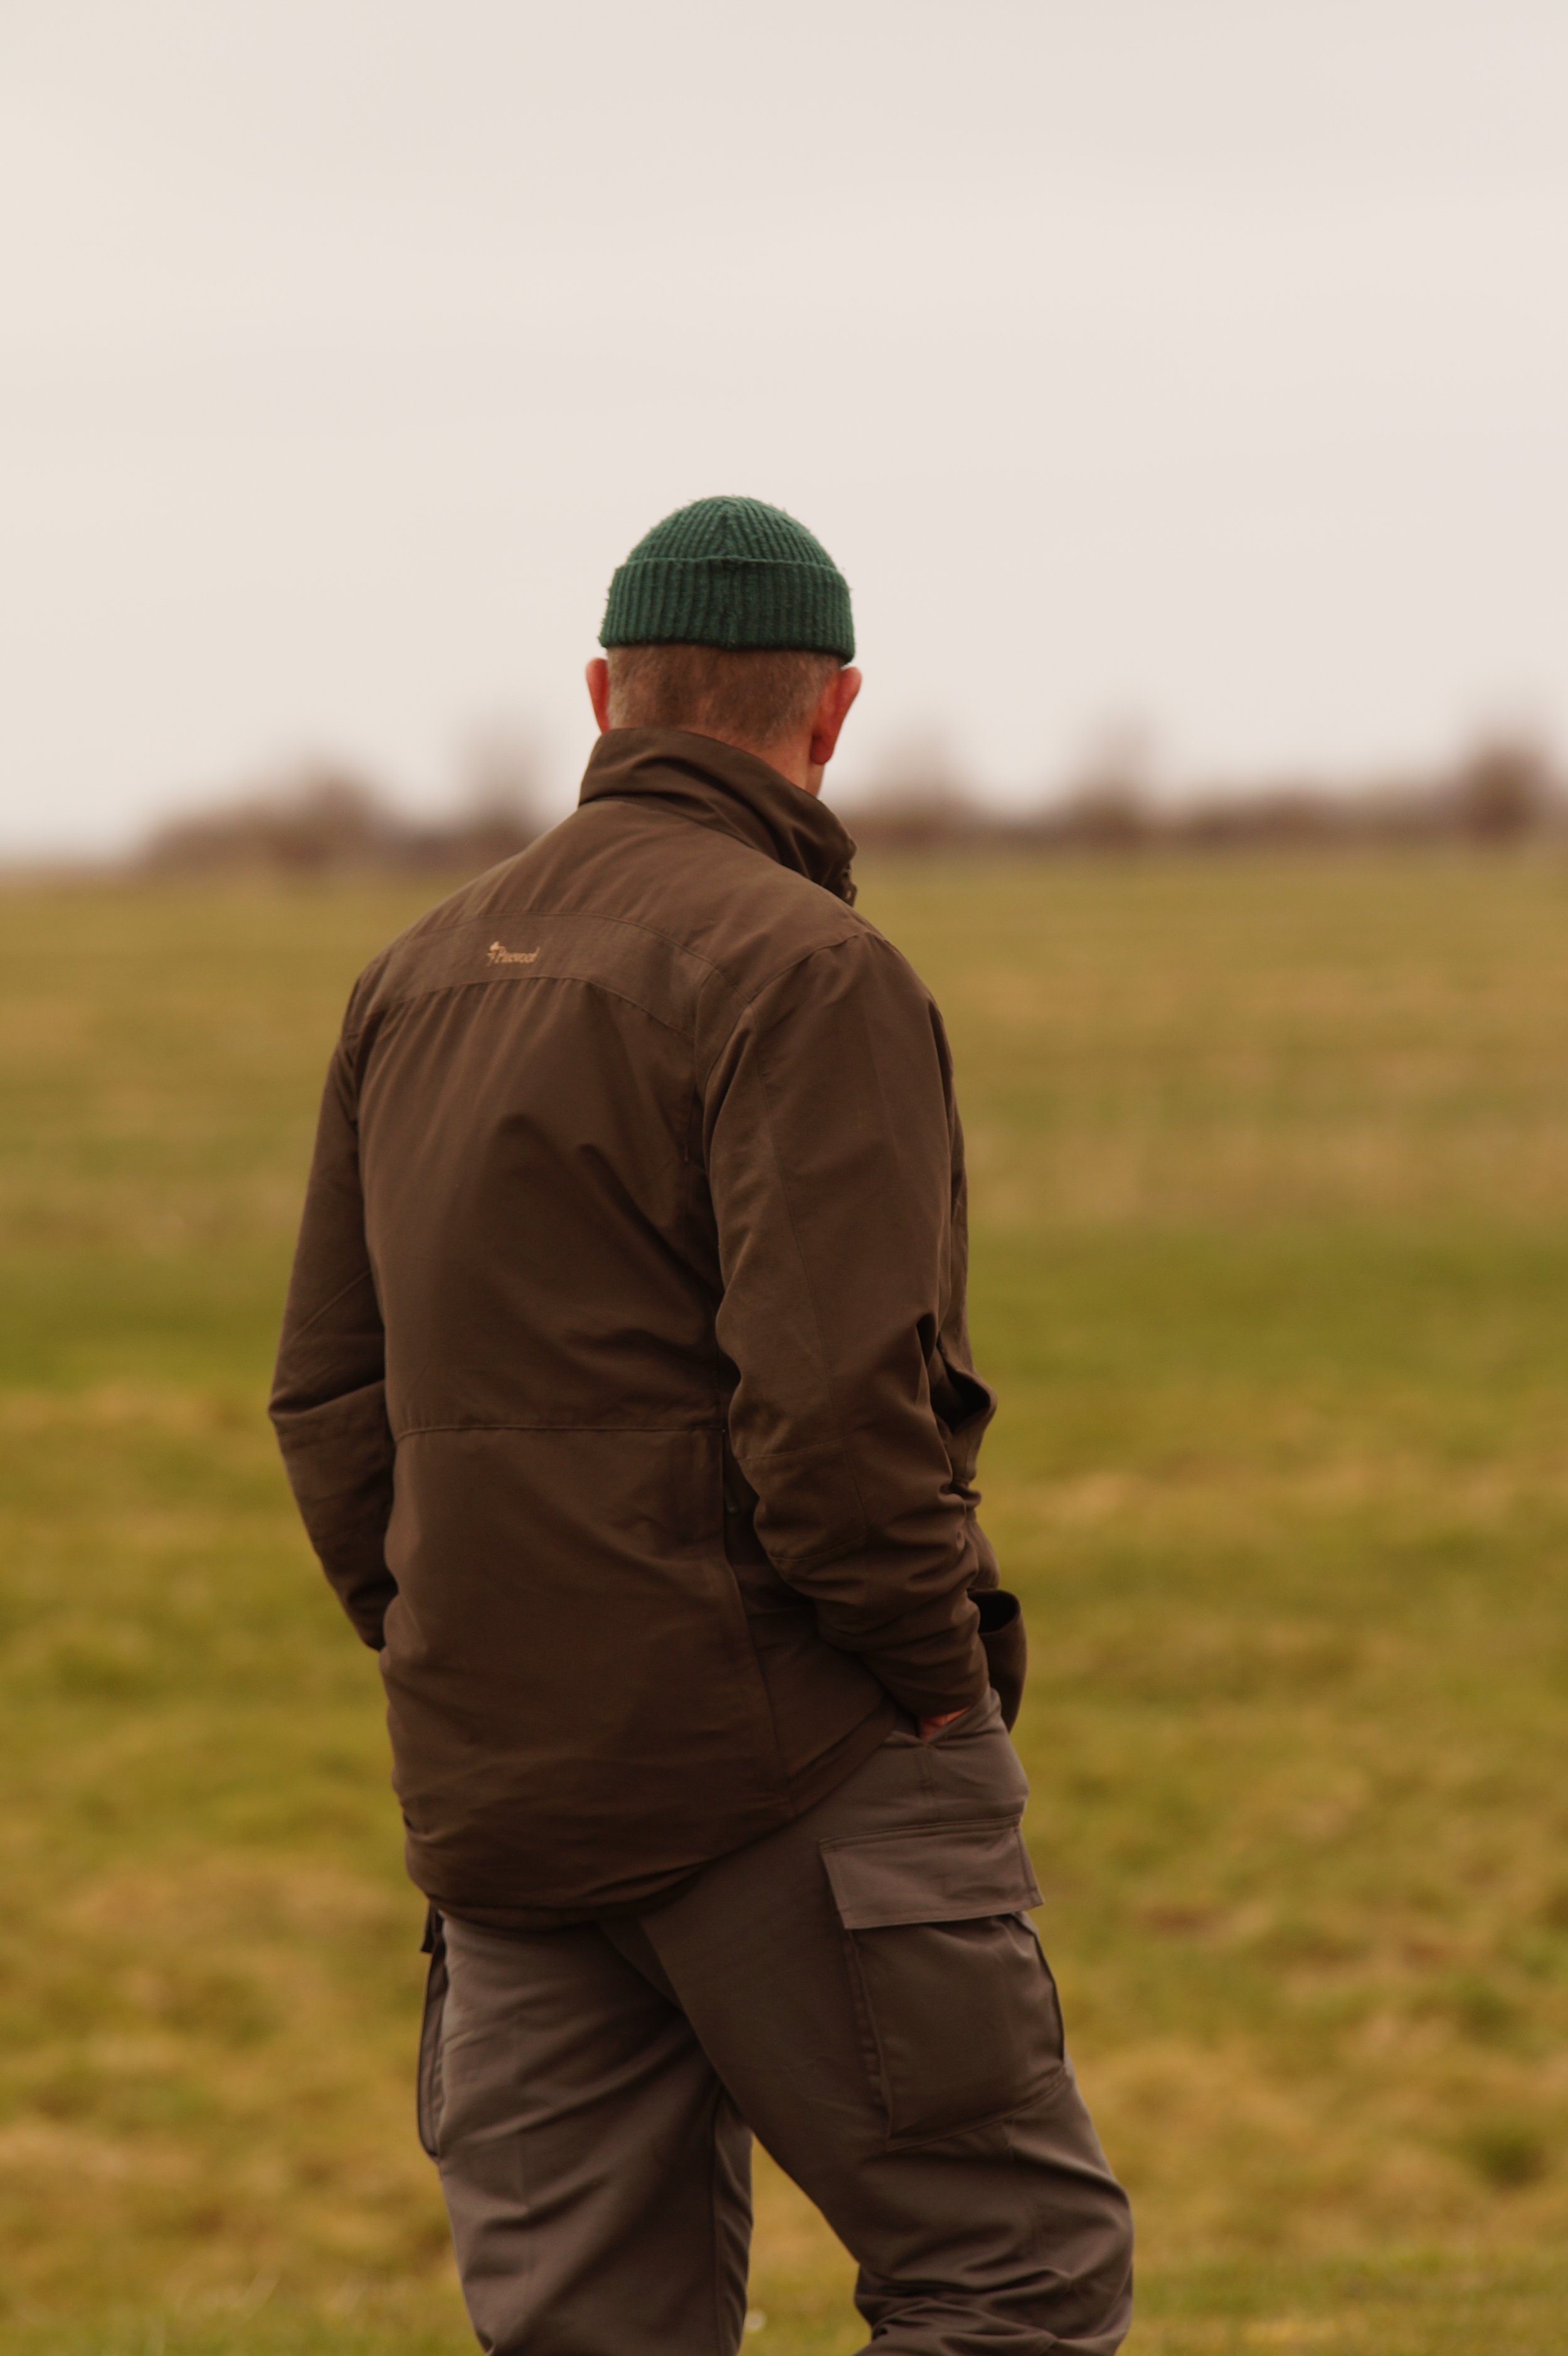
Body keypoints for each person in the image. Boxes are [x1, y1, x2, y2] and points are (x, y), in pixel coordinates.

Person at [270, 495, 1133, 2355]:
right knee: (1010, 2277)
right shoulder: (811, 969)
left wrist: (465, 1648)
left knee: (588, 2329)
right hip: (791, 1767)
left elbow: (329, 1403)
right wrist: (937, 1687)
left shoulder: (409, 977)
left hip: (503, 1785)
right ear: (833, 713)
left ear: (603, 693)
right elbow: (839, 1425)